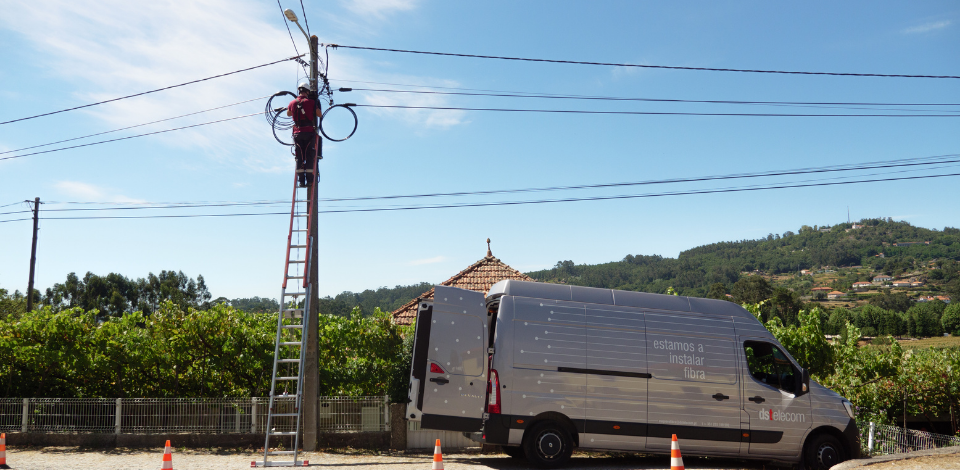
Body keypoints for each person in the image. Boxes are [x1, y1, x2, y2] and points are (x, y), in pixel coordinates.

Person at [287, 82, 321, 187]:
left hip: (297, 133)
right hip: (309, 132)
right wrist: (316, 103)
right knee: (309, 155)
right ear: (307, 91)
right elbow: (319, 114)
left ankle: (301, 181)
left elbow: (288, 114)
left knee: (299, 156)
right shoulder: (311, 102)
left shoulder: (292, 103)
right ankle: (310, 181)